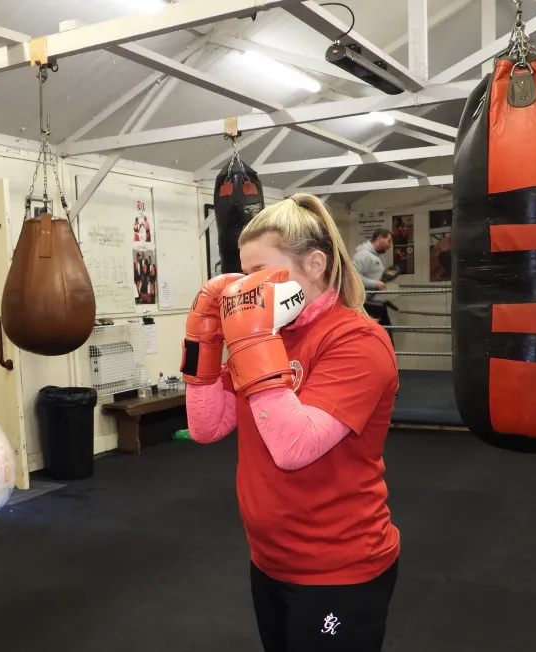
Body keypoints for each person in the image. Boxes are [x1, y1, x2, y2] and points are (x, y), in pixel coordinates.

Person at [181, 194, 399, 652]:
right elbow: (207, 426)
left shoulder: (357, 341)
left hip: (339, 568)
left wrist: (252, 339)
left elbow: (294, 446)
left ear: (315, 264)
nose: (247, 288)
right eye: (244, 274)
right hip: (270, 560)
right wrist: (205, 342)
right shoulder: (268, 337)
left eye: (261, 274)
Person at [353, 228, 393, 326]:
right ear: (380, 238)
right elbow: (354, 277)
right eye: (388, 241)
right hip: (369, 305)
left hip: (378, 304)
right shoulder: (363, 254)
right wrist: (376, 284)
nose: (389, 246)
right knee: (378, 337)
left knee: (386, 336)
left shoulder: (376, 256)